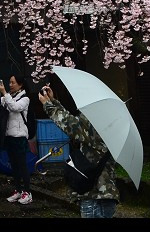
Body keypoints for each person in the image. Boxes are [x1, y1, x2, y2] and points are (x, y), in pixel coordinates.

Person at [39, 83, 119, 218]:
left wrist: (48, 105)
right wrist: (54, 101)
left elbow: (71, 125)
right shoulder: (110, 121)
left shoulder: (94, 120)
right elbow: (76, 124)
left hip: (94, 195)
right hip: (104, 193)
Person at [0, 74, 34, 205]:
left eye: (13, 82)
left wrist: (5, 93)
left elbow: (15, 107)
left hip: (20, 136)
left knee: (22, 165)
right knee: (14, 165)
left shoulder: (25, 98)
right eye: (9, 82)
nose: (10, 85)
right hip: (9, 135)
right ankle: (18, 190)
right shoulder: (9, 96)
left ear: (20, 84)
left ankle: (27, 192)